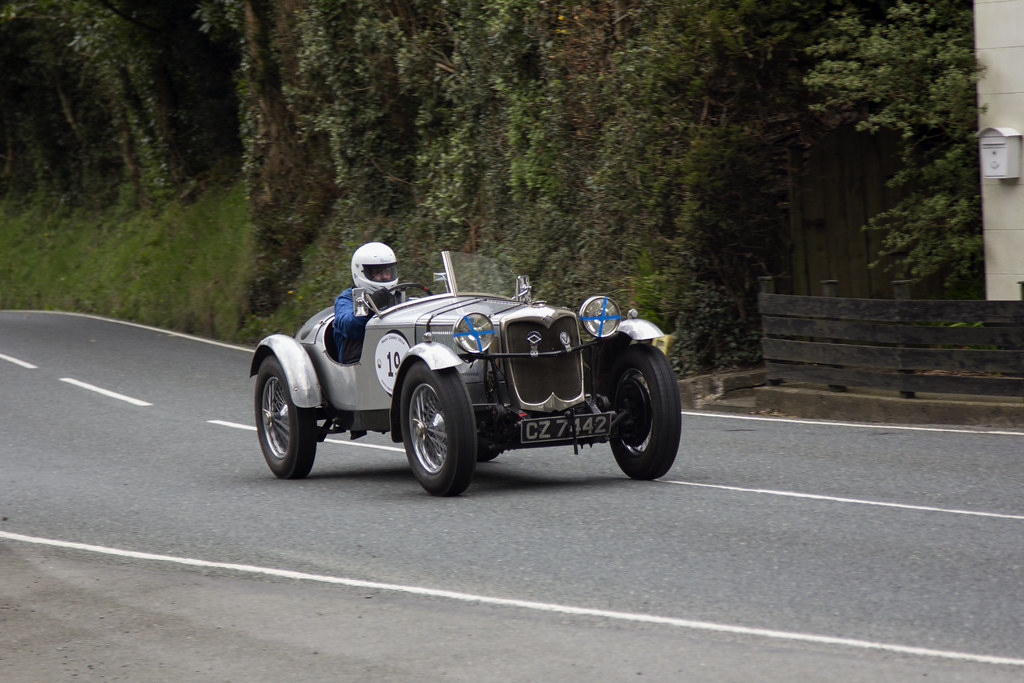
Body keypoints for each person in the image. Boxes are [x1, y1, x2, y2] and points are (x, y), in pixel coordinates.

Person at [333, 242, 398, 364]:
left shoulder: (399, 296)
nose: (384, 276)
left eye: (388, 271)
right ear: (361, 271)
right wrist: (370, 305)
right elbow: (348, 326)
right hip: (359, 365)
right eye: (378, 272)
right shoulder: (346, 299)